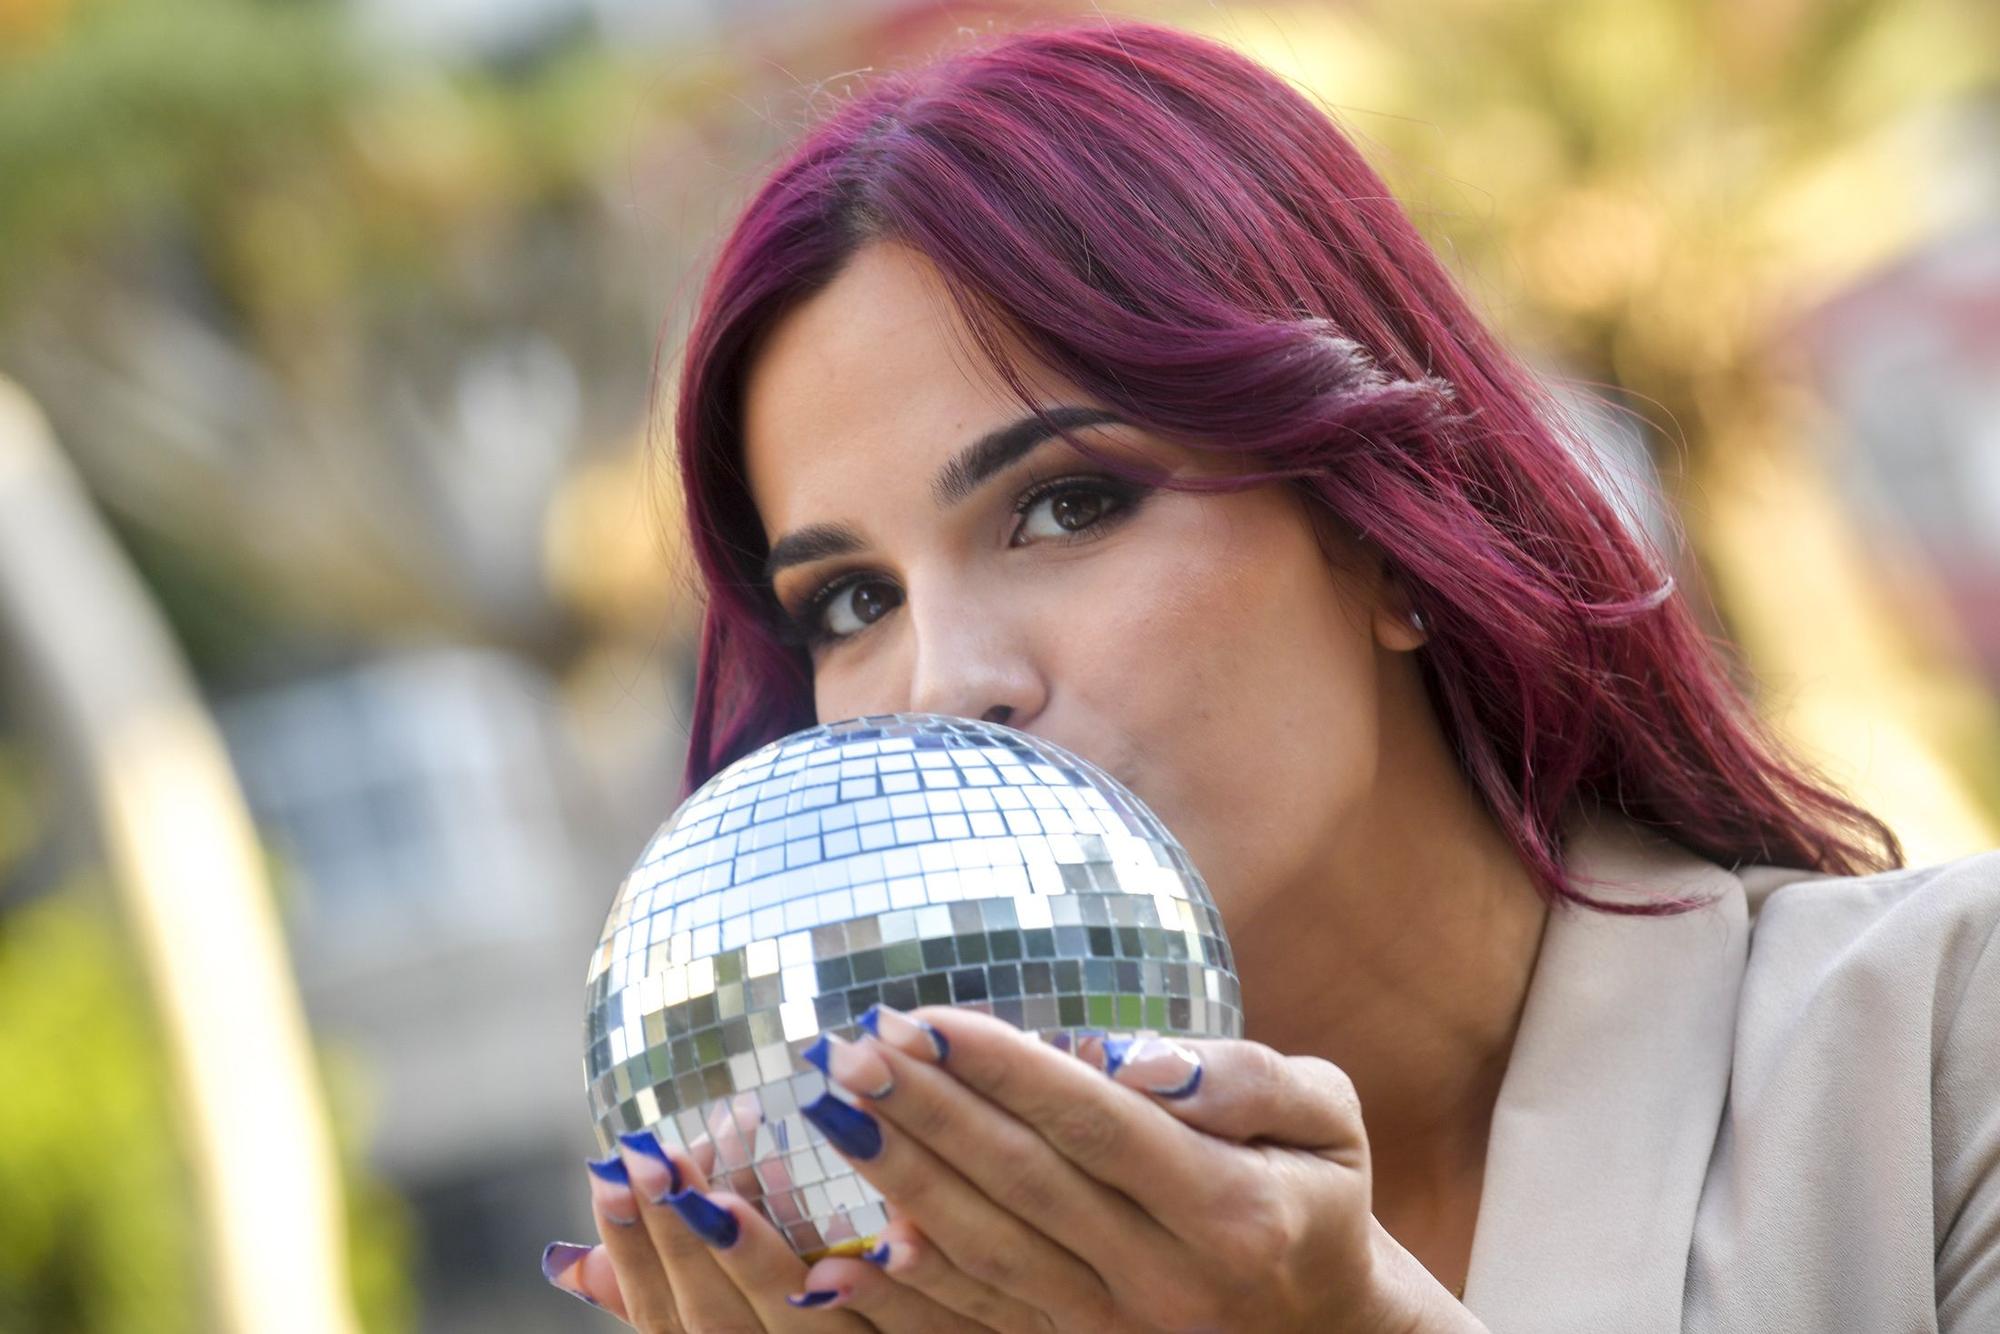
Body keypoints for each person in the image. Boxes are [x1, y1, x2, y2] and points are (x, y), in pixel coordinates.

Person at [539, 15, 2000, 1332]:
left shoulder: (1939, 1049)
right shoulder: (899, 1280)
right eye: (854, 600)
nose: (944, 688)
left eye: (1067, 505)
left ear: (1385, 532)